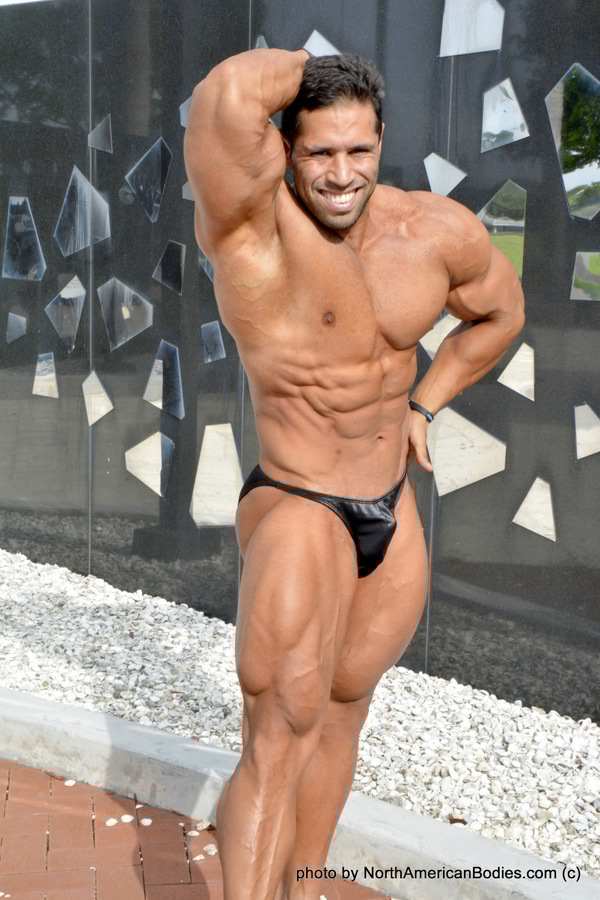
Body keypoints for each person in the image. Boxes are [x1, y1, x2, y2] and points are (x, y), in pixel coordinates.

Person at [184, 47, 524, 900]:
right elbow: (227, 95)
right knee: (278, 736)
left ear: (382, 143)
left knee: (340, 717)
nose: (341, 174)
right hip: (300, 507)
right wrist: (318, 68)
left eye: (359, 149)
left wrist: (426, 403)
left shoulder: (432, 232)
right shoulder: (253, 233)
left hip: (390, 510)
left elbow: (500, 311)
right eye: (319, 152)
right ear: (285, 151)